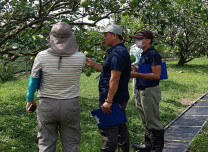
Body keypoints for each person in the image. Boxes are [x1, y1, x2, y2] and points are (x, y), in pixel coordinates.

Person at [25, 22, 86, 152]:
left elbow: (33, 80)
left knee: (46, 143)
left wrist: (30, 99)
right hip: (71, 105)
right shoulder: (81, 57)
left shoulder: (41, 56)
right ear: (71, 37)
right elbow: (74, 51)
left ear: (51, 37)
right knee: (71, 144)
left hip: (47, 104)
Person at [85, 24, 131, 152]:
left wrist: (108, 100)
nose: (104, 38)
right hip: (119, 97)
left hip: (113, 99)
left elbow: (115, 78)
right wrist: (93, 64)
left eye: (105, 35)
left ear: (114, 35)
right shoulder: (119, 51)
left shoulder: (117, 53)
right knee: (121, 128)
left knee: (109, 131)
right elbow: (110, 72)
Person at [130, 30, 164, 152]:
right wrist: (137, 68)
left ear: (148, 40)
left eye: (140, 38)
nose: (137, 41)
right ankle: (148, 145)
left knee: (153, 119)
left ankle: (157, 147)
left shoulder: (153, 54)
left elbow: (156, 75)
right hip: (141, 90)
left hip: (149, 90)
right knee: (146, 119)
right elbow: (146, 70)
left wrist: (137, 74)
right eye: (136, 39)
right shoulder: (144, 53)